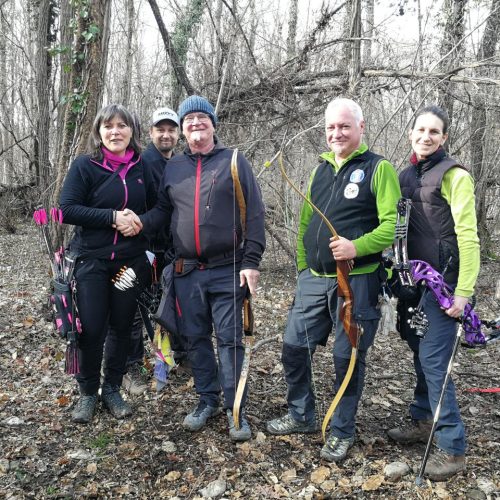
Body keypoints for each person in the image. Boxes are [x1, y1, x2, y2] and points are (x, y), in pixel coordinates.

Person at [117, 95, 266, 441]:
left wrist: (252, 262)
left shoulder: (234, 161)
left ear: (213, 124)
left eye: (202, 118)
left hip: (228, 268)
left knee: (229, 341)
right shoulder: (175, 168)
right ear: (183, 129)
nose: (196, 124)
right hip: (186, 272)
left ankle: (234, 410)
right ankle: (207, 399)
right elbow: (162, 214)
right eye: (189, 120)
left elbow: (255, 215)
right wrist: (137, 222)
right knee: (196, 339)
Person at [266, 98, 401, 462]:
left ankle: (342, 430)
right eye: (330, 127)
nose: (336, 133)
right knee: (294, 348)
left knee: (347, 357)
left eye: (344, 126)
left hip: (356, 282)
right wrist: (301, 268)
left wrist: (356, 246)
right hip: (314, 279)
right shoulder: (320, 170)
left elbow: (391, 228)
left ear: (361, 127)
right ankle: (302, 414)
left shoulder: (378, 168)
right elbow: (307, 224)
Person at [388, 105, 480, 480]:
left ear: (444, 138)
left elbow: (469, 237)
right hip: (413, 283)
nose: (426, 137)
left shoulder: (455, 176)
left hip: (446, 286)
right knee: (418, 351)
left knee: (434, 360)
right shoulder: (404, 175)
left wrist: (463, 292)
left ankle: (452, 448)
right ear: (411, 132)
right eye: (420, 130)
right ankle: (424, 418)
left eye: (434, 132)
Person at [60, 104, 157, 423]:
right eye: (108, 126)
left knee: (121, 326)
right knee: (91, 328)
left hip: (129, 265)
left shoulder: (145, 168)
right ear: (99, 132)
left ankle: (112, 388)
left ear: (132, 131)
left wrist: (140, 222)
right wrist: (112, 217)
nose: (115, 131)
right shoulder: (85, 166)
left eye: (122, 126)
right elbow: (66, 210)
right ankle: (88, 392)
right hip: (92, 262)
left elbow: (163, 209)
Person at [106, 106, 186, 396]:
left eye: (171, 129)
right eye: (160, 129)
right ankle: (130, 368)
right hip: (141, 249)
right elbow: (151, 208)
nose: (166, 134)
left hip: (168, 250)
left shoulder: (177, 162)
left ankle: (167, 360)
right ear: (150, 133)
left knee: (162, 308)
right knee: (133, 310)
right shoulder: (143, 162)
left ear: (178, 133)